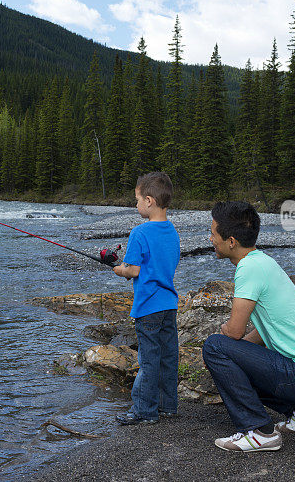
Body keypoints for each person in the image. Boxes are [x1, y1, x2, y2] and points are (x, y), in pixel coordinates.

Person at [203, 201, 295, 452]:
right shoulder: (263, 261)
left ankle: (259, 431)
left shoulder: (249, 268)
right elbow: (265, 331)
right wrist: (240, 354)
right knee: (232, 354)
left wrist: (226, 337)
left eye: (213, 233)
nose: (210, 238)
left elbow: (233, 331)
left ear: (231, 241)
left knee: (214, 347)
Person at [112, 172, 181, 425]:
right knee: (168, 357)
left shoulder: (139, 233)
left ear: (149, 201)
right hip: (169, 305)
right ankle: (167, 406)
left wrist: (119, 269)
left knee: (148, 359)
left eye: (138, 200)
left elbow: (133, 270)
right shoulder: (172, 230)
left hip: (147, 307)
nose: (136, 205)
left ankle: (144, 411)